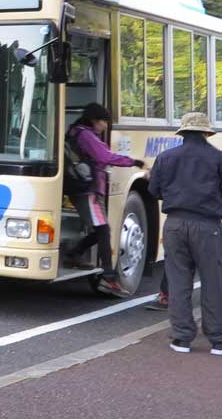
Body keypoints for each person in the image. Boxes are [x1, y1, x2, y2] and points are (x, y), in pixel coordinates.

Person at [148, 112, 222, 355]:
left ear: (182, 132)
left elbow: (154, 189)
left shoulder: (166, 157)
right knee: (213, 282)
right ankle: (218, 339)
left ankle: (181, 338)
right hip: (207, 225)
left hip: (175, 224)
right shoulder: (217, 158)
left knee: (179, 280)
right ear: (205, 132)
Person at [64, 103, 145, 297]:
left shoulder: (75, 131)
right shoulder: (86, 135)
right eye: (103, 122)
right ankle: (108, 277)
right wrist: (134, 162)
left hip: (82, 188)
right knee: (103, 230)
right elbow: (105, 156)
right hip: (88, 190)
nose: (105, 126)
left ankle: (74, 254)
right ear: (94, 120)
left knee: (100, 229)